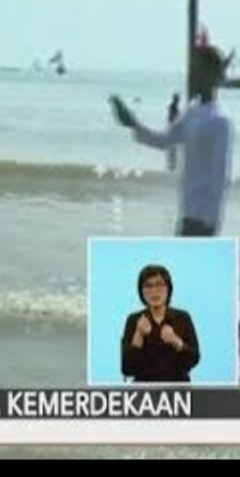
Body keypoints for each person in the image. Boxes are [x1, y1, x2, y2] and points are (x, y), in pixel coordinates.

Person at [111, 45, 234, 236]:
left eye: (200, 70)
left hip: (204, 219)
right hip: (187, 211)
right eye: (194, 70)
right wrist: (133, 123)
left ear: (213, 76)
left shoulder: (221, 121)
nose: (194, 75)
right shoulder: (192, 112)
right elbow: (164, 140)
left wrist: (211, 223)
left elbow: (220, 178)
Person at [121, 264, 200, 383]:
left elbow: (194, 359)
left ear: (168, 288)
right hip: (144, 391)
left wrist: (175, 341)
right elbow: (127, 369)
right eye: (148, 286)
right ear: (141, 291)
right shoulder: (133, 320)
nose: (154, 291)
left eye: (159, 284)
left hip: (178, 389)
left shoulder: (183, 317)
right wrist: (139, 334)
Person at [167, 92, 180, 172]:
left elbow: (172, 117)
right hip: (172, 128)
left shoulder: (173, 107)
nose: (178, 100)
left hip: (172, 127)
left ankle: (172, 165)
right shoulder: (173, 107)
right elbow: (172, 117)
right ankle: (172, 165)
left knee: (172, 147)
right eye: (177, 99)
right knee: (173, 147)